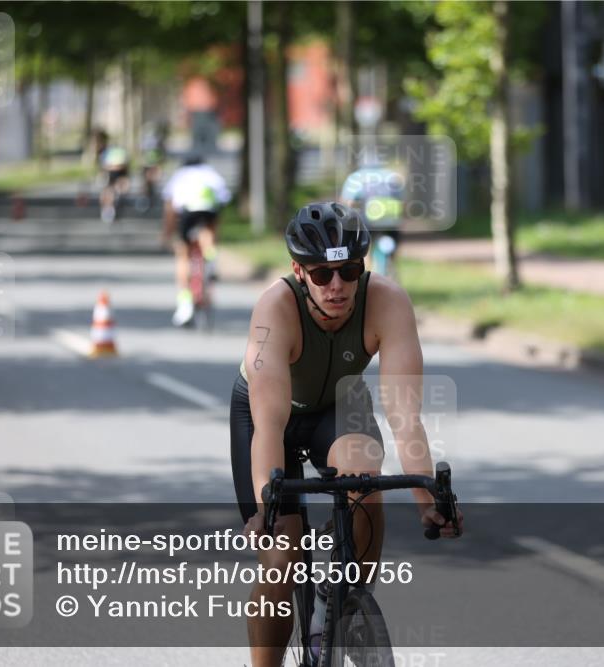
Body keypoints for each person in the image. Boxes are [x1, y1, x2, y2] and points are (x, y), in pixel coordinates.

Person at [230, 202, 461, 666]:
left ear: (364, 266)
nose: (337, 286)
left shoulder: (388, 302)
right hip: (268, 416)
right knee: (281, 561)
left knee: (365, 479)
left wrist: (428, 503)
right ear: (298, 271)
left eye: (349, 270)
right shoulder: (275, 309)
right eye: (321, 275)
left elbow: (404, 415)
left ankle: (342, 600)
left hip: (338, 403)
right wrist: (265, 506)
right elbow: (270, 425)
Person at [160, 154, 231, 326]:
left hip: (188, 210)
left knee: (183, 254)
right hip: (209, 209)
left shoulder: (179, 175)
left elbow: (170, 208)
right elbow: (223, 200)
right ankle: (211, 254)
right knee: (207, 230)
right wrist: (215, 234)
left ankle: (185, 303)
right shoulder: (211, 173)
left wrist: (167, 234)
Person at [340, 158, 405, 277]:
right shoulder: (391, 177)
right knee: (392, 247)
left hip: (368, 220)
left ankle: (368, 274)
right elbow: (401, 199)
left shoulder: (357, 177)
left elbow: (348, 201)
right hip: (390, 220)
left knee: (365, 249)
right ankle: (392, 269)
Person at [98, 142, 130, 223]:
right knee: (108, 191)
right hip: (111, 173)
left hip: (119, 173)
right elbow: (104, 166)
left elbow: (126, 166)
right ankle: (108, 209)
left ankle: (115, 204)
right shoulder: (107, 153)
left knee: (120, 190)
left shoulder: (120, 153)